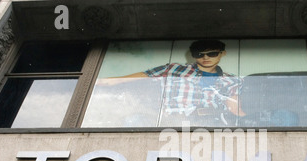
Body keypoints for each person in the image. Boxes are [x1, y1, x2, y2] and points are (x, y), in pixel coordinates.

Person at [101, 39, 244, 126]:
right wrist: (101, 82)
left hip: (212, 122)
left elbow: (237, 106)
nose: (206, 58)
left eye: (212, 53)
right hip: (174, 121)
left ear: (222, 53)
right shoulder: (175, 69)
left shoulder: (231, 79)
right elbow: (144, 75)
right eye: (199, 54)